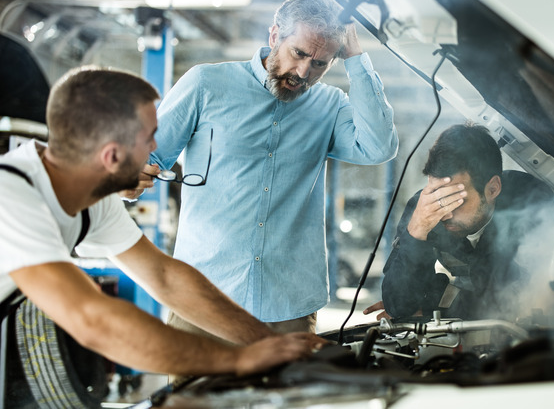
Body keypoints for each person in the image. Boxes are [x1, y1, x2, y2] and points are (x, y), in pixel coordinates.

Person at [0, 66, 324, 384]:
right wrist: (237, 359)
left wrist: (266, 341)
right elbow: (92, 320)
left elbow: (164, 277)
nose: (155, 148)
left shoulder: (93, 199)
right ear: (111, 156)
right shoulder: (12, 197)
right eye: (149, 138)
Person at [123, 0, 398, 335]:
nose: (302, 72)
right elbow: (145, 159)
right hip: (204, 299)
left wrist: (356, 59)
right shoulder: (206, 84)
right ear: (274, 36)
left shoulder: (330, 105)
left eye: (319, 64)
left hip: (289, 307)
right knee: (195, 391)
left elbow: (378, 148)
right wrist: (130, 180)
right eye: (298, 53)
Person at [363, 123, 554, 321]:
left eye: (457, 200)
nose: (444, 213)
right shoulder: (425, 209)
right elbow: (398, 305)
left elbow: (517, 298)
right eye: (438, 197)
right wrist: (417, 230)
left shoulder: (529, 201)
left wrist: (432, 308)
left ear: (492, 189)